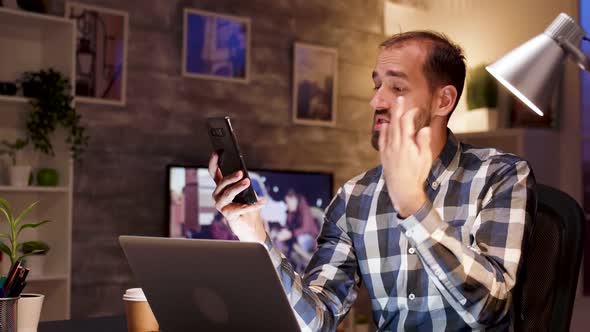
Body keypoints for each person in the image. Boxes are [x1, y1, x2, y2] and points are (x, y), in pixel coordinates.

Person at [208, 30, 535, 331]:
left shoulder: (500, 175)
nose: (376, 101)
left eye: (397, 87)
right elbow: (317, 322)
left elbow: (490, 309)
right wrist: (255, 235)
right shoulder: (354, 197)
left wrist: (413, 205)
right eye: (377, 85)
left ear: (443, 101)